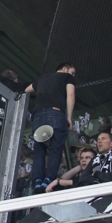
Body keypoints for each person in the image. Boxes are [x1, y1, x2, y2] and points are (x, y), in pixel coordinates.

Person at [25, 62, 76, 193]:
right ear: (65, 69)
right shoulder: (67, 77)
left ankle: (36, 181)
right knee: (56, 149)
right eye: (72, 72)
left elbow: (27, 90)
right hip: (56, 113)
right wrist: (69, 117)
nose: (73, 75)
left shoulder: (43, 78)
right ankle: (48, 180)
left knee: (39, 151)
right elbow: (70, 95)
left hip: (38, 116)